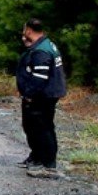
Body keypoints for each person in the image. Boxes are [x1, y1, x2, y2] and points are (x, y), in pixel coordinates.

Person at [16, 18, 66, 177]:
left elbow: (39, 77)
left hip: (42, 96)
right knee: (32, 126)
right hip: (46, 94)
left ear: (29, 30)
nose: (23, 34)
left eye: (24, 31)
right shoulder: (46, 44)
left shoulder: (41, 51)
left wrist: (29, 94)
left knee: (42, 128)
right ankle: (37, 157)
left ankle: (48, 164)